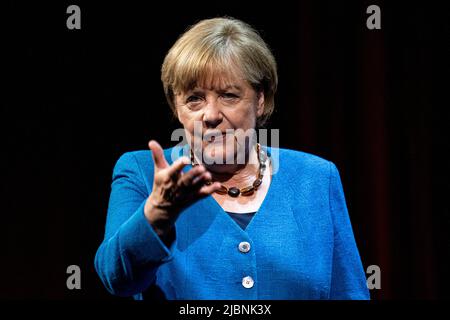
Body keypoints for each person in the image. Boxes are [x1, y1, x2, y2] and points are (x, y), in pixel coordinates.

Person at [94, 17, 370, 300]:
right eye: (194, 99)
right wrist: (157, 213)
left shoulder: (317, 178)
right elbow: (116, 279)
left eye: (228, 96)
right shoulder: (141, 172)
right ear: (176, 107)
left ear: (260, 100)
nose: (211, 115)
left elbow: (349, 292)